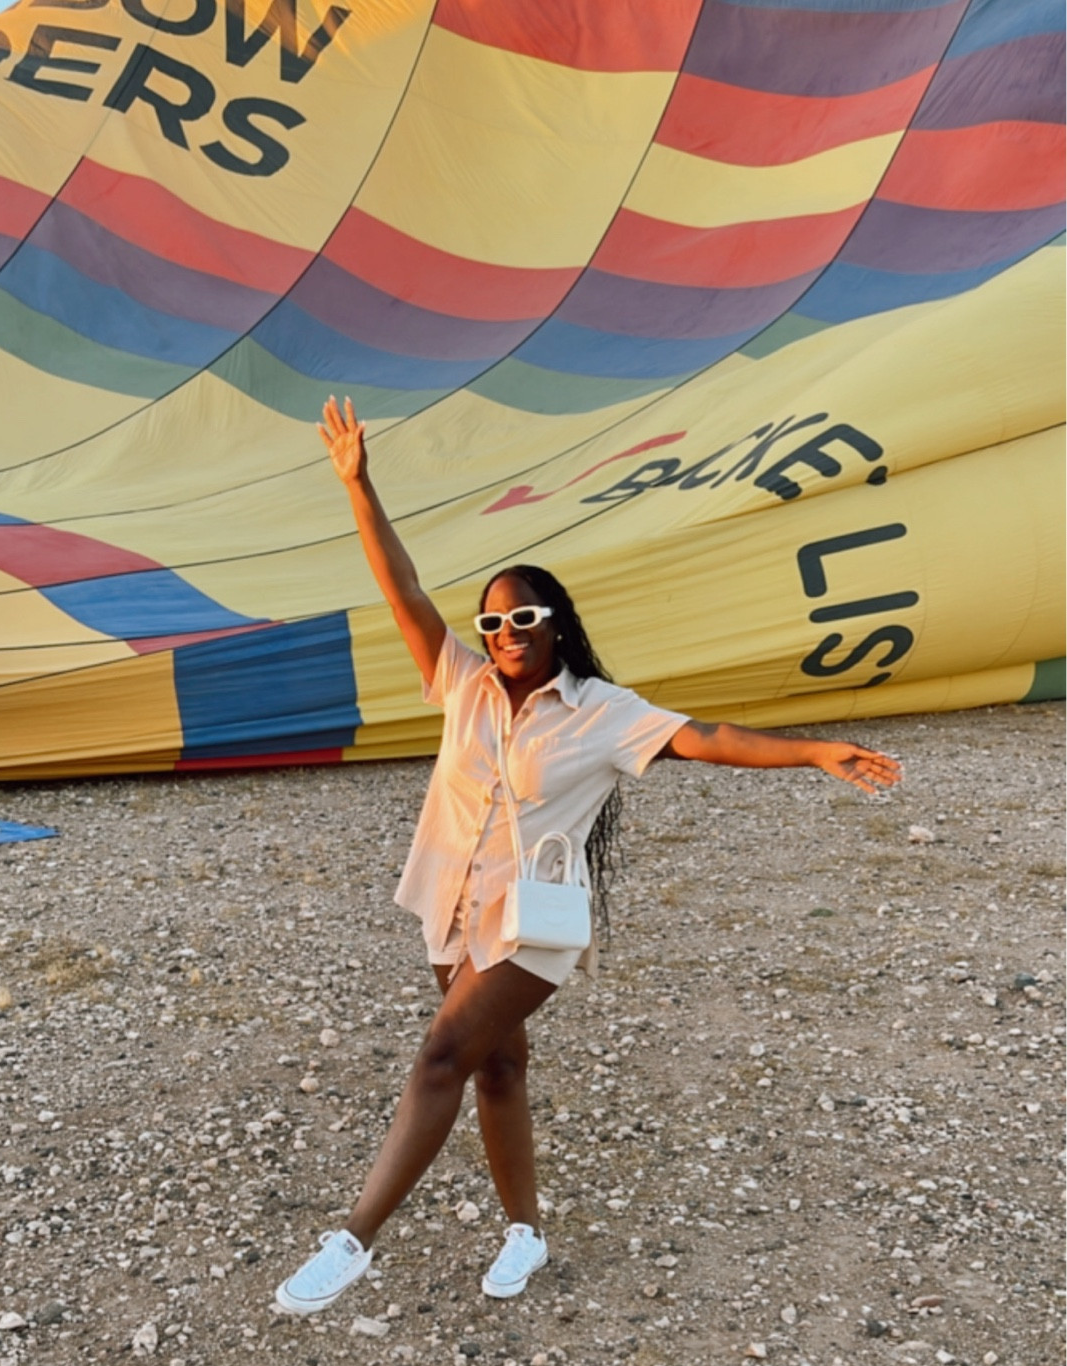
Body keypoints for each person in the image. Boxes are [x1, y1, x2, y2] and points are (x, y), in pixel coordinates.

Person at [275, 397, 901, 1316]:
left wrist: (812, 750)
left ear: (555, 622)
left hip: (535, 920)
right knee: (498, 1065)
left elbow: (708, 735)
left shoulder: (604, 711)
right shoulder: (461, 686)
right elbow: (402, 588)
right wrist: (358, 486)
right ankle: (525, 1230)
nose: (503, 633)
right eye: (490, 623)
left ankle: (354, 1238)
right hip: (454, 901)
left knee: (444, 1054)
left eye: (521, 616)